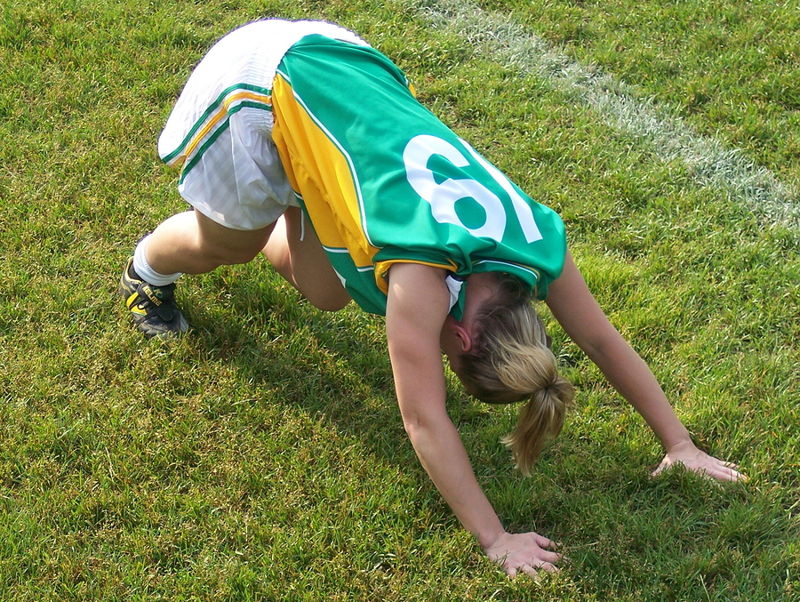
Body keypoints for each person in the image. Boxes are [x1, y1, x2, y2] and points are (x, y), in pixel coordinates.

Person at [118, 19, 744, 577]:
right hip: (264, 80)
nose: (440, 356)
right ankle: (146, 270)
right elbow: (423, 419)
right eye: (452, 361)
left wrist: (678, 443)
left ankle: (308, 179)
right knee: (228, 242)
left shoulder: (534, 245)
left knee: (327, 293)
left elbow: (603, 341)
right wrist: (496, 539)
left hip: (345, 58)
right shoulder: (420, 275)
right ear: (464, 340)